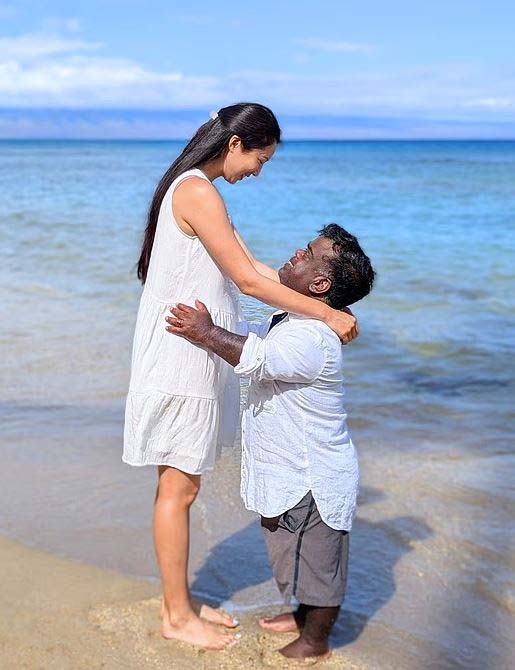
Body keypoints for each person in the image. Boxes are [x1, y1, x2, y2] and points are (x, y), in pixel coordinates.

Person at [123, 103, 359, 652]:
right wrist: (326, 317)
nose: (258, 170)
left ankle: (179, 601)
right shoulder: (196, 191)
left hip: (192, 353)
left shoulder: (202, 191)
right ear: (235, 145)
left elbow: (256, 272)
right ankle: (176, 615)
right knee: (178, 488)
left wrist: (326, 304)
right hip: (181, 354)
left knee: (183, 484)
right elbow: (249, 285)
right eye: (260, 158)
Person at [165, 224, 375, 660]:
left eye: (308, 254)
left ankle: (315, 641)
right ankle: (301, 615)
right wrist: (220, 232)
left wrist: (205, 332)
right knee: (288, 551)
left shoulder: (313, 338)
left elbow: (257, 357)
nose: (297, 252)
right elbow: (251, 309)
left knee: (319, 567)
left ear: (320, 285)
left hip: (314, 478)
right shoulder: (292, 320)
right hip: (288, 471)